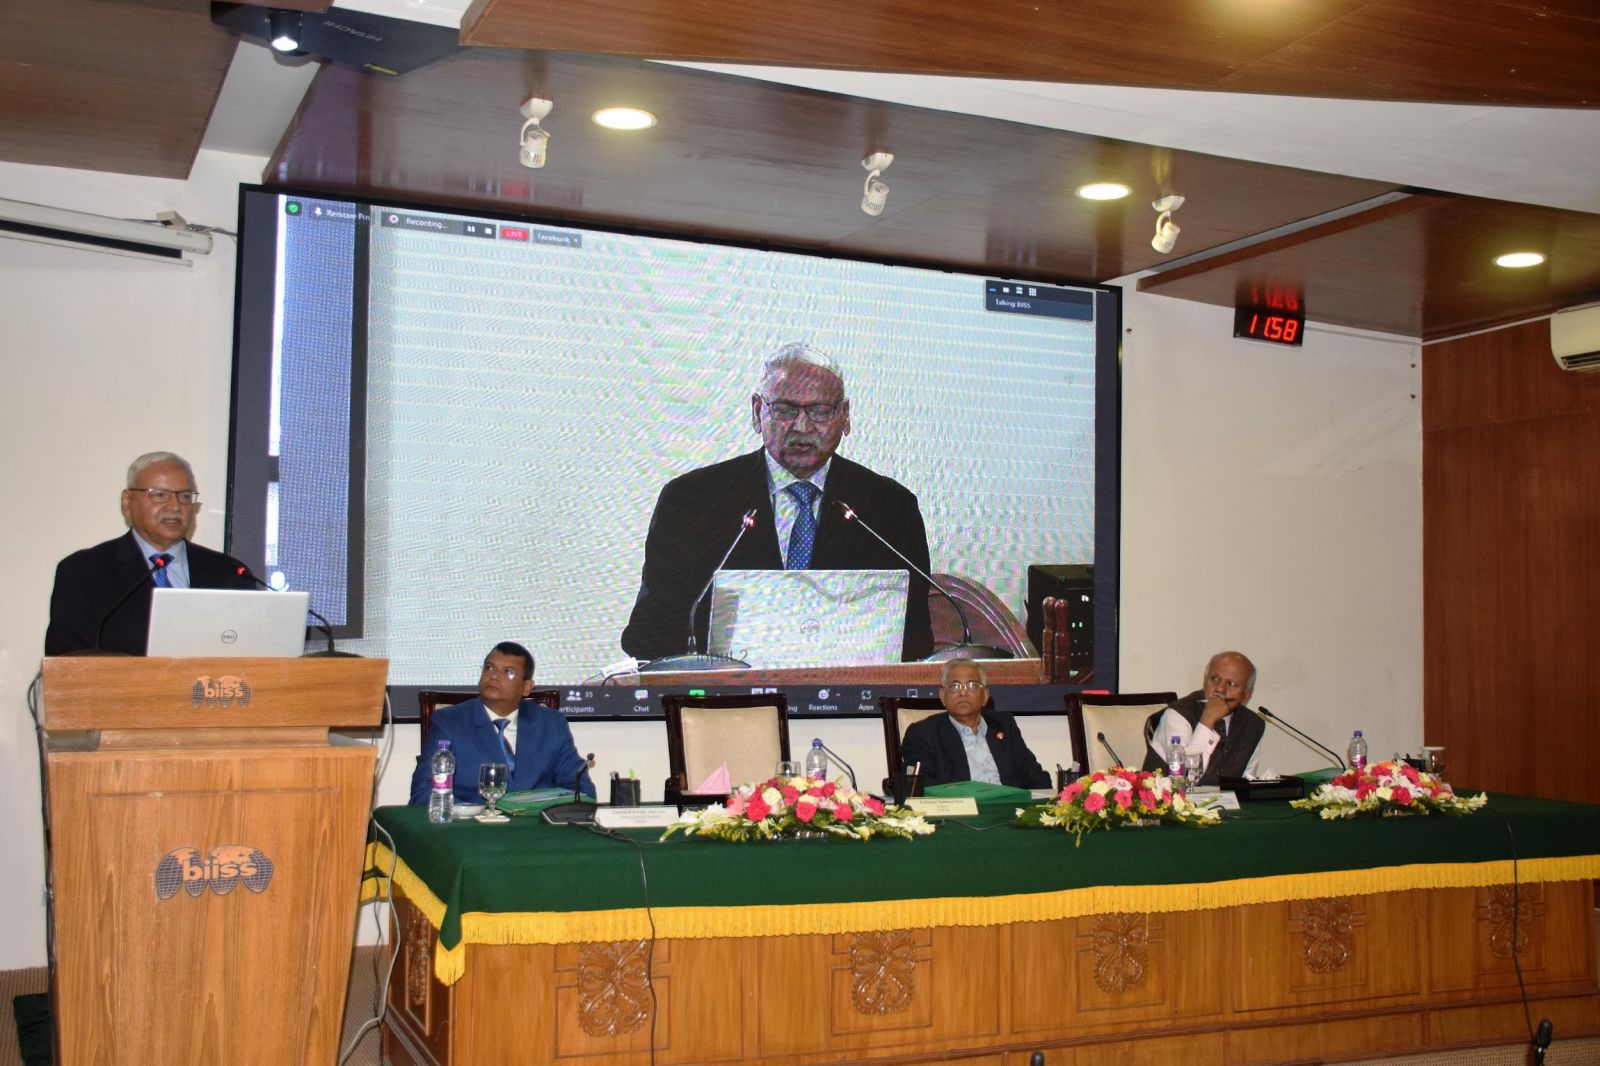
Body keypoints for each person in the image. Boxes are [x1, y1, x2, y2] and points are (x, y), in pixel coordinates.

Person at [621, 343, 933, 662]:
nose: (802, 427)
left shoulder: (890, 508)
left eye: (820, 411)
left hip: (852, 690)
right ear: (758, 411)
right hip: (725, 691)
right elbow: (649, 635)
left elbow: (916, 639)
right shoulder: (691, 501)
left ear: (845, 416)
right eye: (784, 410)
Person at [45, 452, 256, 656]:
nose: (175, 506)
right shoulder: (83, 572)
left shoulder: (231, 573)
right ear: (127, 503)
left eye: (184, 496)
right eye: (160, 495)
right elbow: (67, 660)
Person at [409, 642, 594, 806]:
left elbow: (581, 789)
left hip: (536, 827)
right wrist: (470, 813)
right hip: (472, 828)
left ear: (527, 687)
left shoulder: (551, 723)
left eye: (508, 672)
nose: (494, 676)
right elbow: (423, 791)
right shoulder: (449, 722)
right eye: (489, 668)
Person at [896, 659, 1051, 789]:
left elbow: (1036, 776)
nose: (963, 692)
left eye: (972, 685)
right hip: (960, 812)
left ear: (985, 695)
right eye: (955, 686)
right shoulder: (923, 734)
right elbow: (919, 787)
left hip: (1010, 808)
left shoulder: (1003, 724)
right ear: (943, 696)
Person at [1141, 650, 1265, 785]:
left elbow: (1247, 782)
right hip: (1172, 797)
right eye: (1215, 679)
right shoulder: (1178, 715)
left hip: (1225, 798)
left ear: (1247, 694)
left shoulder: (1253, 724)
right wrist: (1206, 722)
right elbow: (1184, 781)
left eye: (1231, 684)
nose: (1220, 689)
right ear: (1205, 679)